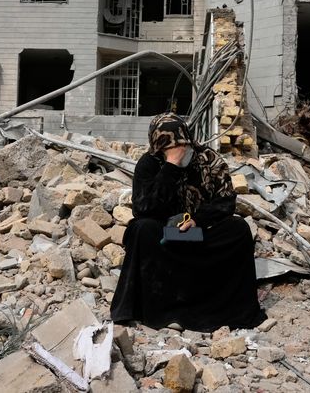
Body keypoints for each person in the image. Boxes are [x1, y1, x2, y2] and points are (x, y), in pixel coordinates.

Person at [110, 113, 265, 332]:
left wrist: (198, 220)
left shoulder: (209, 160)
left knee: (238, 229)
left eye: (181, 146)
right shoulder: (148, 164)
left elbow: (226, 202)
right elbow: (143, 208)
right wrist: (171, 167)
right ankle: (157, 310)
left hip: (200, 234)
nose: (178, 151)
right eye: (169, 148)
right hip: (166, 238)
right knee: (141, 228)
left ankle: (226, 309)